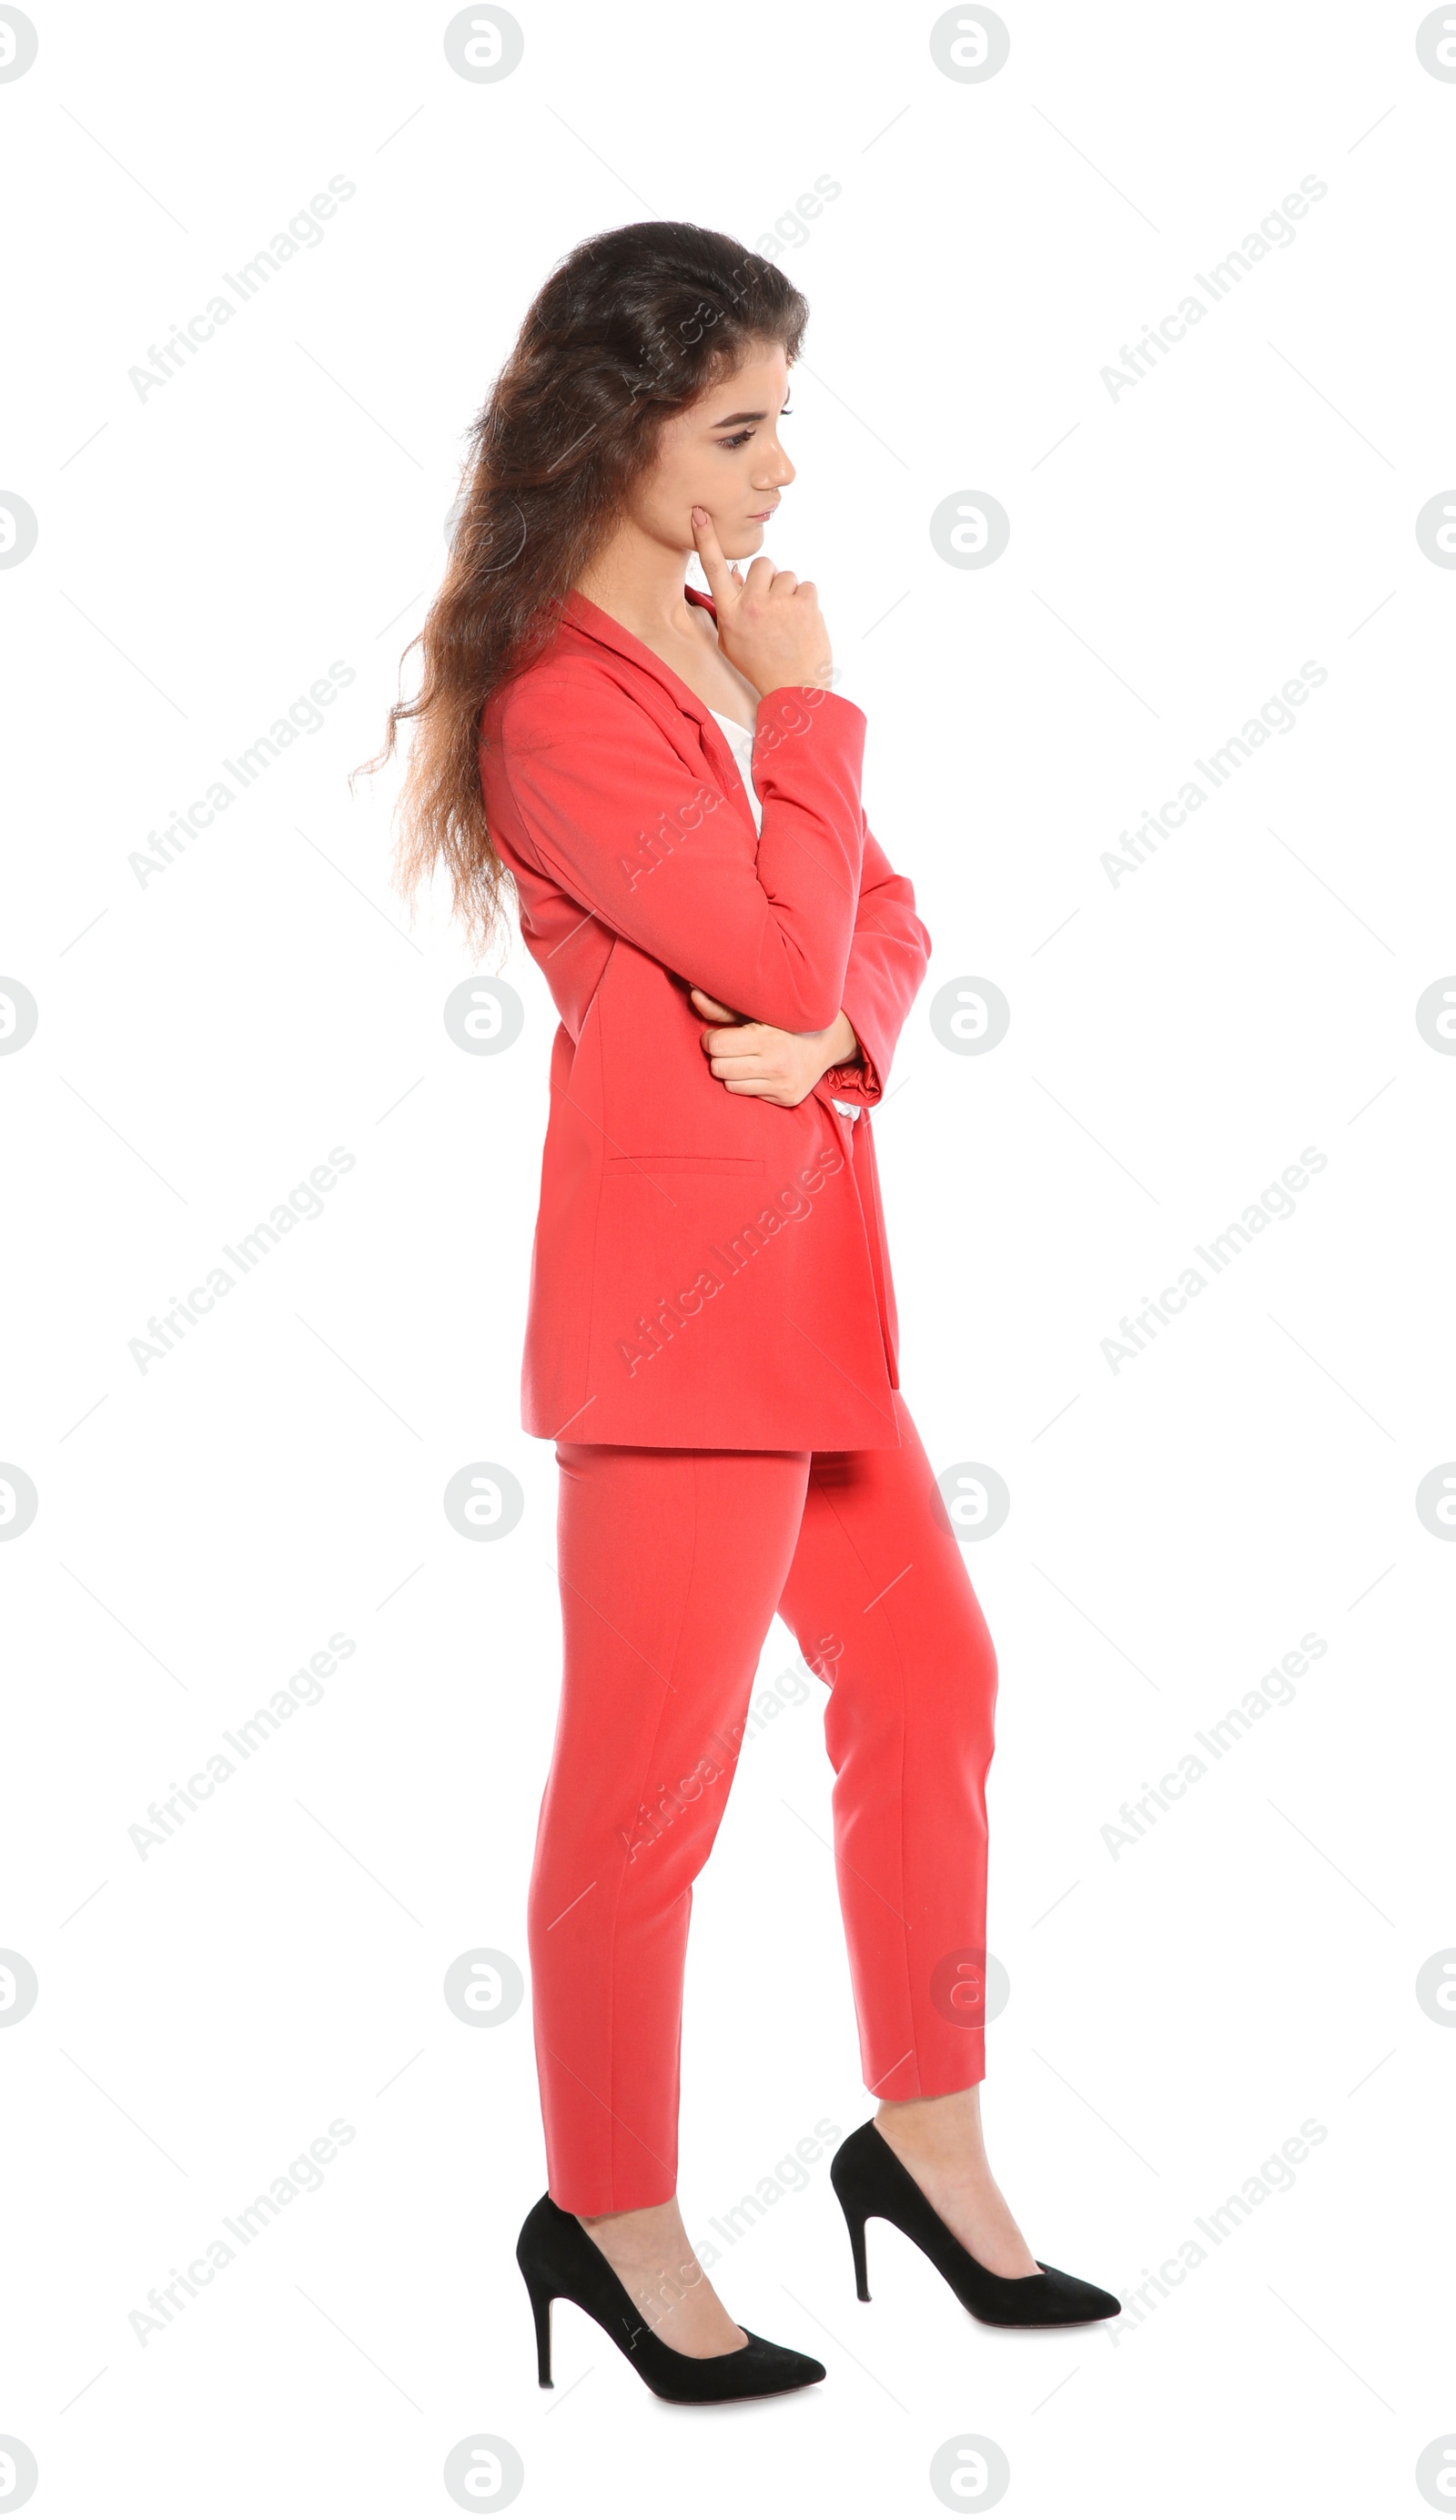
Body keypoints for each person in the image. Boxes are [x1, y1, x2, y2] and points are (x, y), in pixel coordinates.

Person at [365, 219, 1118, 2408]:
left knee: (933, 1680)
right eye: (739, 423)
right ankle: (604, 2213)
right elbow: (789, 934)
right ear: (619, 432)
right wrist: (806, 729)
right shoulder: (555, 707)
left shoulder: (709, 634)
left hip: (815, 1290)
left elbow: (862, 919)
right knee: (648, 1790)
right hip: (679, 1329)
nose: (784, 464)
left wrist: (841, 1033)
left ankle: (924, 2136)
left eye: (782, 413)